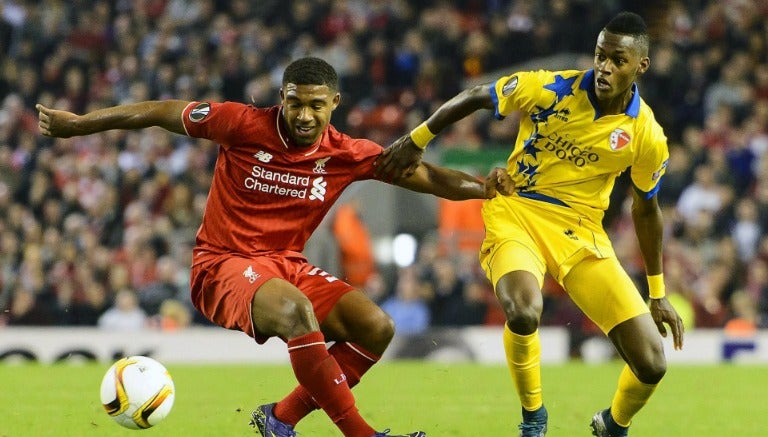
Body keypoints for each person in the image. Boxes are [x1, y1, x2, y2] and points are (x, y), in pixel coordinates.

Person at [37, 56, 510, 437]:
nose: (304, 115)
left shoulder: (346, 153)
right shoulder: (241, 123)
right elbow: (162, 111)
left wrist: (482, 188)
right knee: (297, 312)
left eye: (316, 105)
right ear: (281, 99)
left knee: (376, 327)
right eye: (294, 103)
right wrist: (80, 125)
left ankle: (280, 419)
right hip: (223, 264)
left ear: (335, 104)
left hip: (287, 266)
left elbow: (426, 177)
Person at [376, 12, 685, 437]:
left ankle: (613, 424)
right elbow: (474, 96)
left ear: (640, 66)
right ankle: (534, 420)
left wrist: (658, 292)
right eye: (600, 56)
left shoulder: (646, 134)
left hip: (581, 232)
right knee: (523, 311)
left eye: (618, 60)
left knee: (652, 363)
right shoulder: (550, 87)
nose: (605, 67)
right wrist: (416, 139)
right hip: (518, 211)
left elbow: (646, 208)